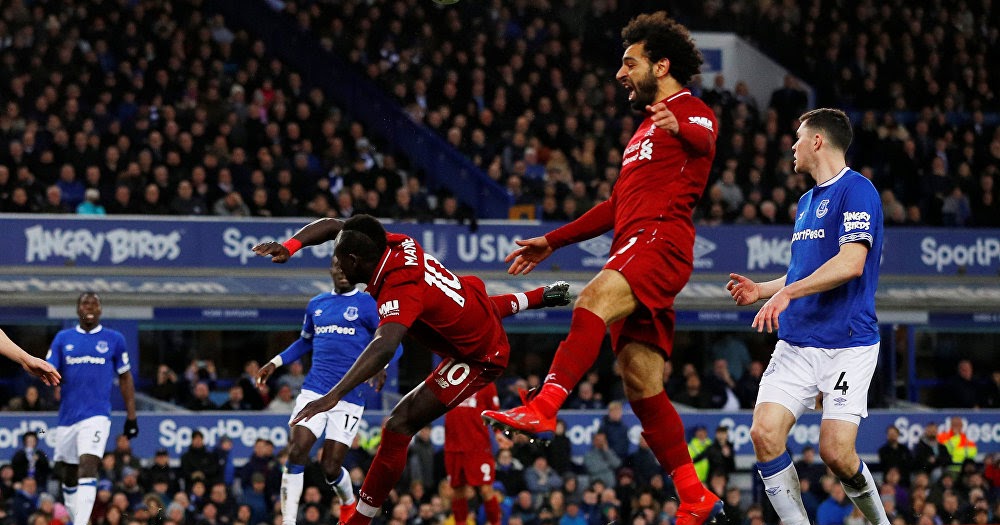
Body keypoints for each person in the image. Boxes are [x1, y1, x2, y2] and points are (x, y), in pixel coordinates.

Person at [479, 11, 722, 525]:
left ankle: (544, 406)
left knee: (589, 299)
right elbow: (615, 205)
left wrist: (679, 124)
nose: (620, 73)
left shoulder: (690, 110)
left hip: (658, 242)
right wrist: (552, 241)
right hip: (633, 244)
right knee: (641, 385)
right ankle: (695, 495)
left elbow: (704, 137)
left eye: (630, 63)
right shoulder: (643, 131)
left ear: (661, 66)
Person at [251, 214, 569, 525]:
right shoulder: (392, 243)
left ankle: (359, 520)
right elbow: (334, 225)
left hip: (480, 357)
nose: (335, 264)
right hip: (469, 305)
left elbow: (385, 346)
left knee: (399, 424)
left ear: (353, 261)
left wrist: (333, 396)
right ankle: (540, 296)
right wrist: (290, 247)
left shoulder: (400, 287)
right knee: (473, 310)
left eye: (338, 259)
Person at [726, 108, 888, 525]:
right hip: (798, 342)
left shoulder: (858, 191)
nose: (793, 146)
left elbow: (851, 262)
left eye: (798, 138)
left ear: (817, 141)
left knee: (836, 453)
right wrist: (763, 290)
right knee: (764, 434)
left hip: (847, 343)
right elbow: (803, 272)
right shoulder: (805, 202)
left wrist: (788, 294)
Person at [46, 292, 138, 525]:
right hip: (68, 416)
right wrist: (52, 380)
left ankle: (80, 522)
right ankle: (76, 517)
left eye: (94, 303)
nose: (89, 307)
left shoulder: (114, 339)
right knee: (68, 472)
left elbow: (125, 377)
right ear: (78, 309)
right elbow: (50, 368)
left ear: (100, 310)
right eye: (85, 303)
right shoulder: (63, 338)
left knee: (89, 463)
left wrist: (131, 416)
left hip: (97, 414)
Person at [444, 384, 501, 525]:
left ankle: (495, 522)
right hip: (454, 445)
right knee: (458, 489)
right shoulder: (450, 377)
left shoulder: (487, 382)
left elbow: (494, 412)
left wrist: (499, 433)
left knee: (486, 489)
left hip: (478, 446)